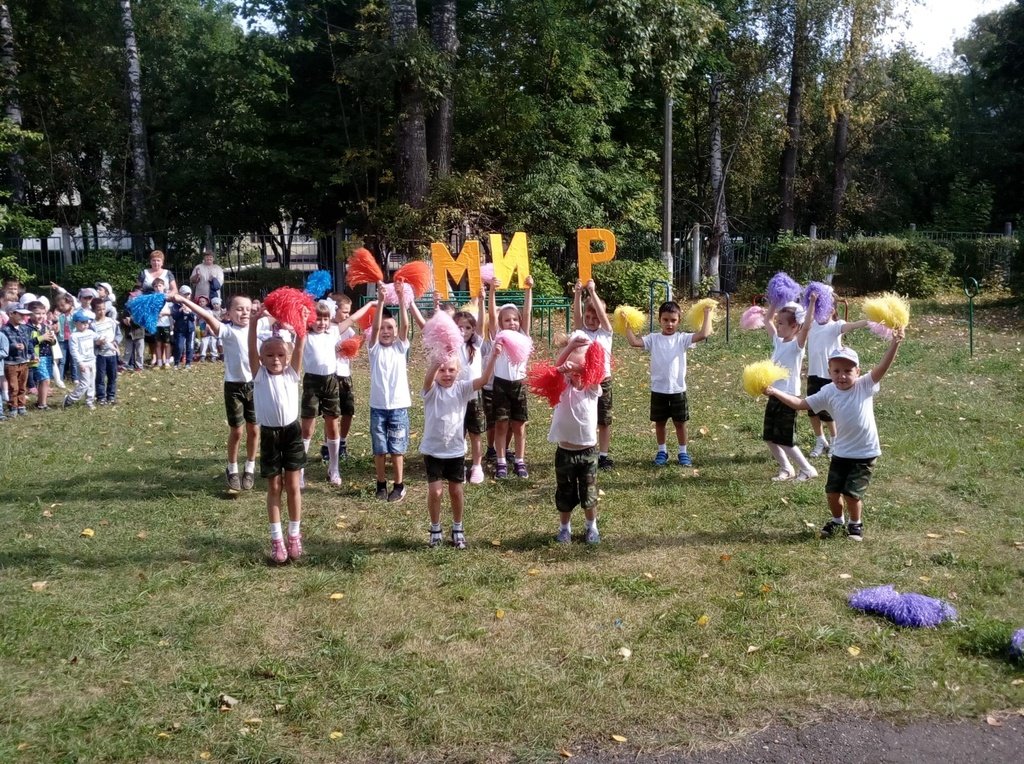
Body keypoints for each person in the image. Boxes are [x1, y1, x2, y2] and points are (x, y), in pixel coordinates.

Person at [766, 328, 905, 542]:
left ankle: (855, 524)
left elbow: (883, 367)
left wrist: (895, 343)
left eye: (848, 371)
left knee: (851, 494)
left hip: (865, 453)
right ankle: (837, 521)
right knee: (832, 493)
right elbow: (801, 404)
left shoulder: (864, 385)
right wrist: (775, 391)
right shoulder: (828, 391)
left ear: (858, 372)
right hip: (841, 452)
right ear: (829, 372)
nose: (842, 375)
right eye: (837, 370)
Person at [172, 290, 259, 493]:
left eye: (248, 309)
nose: (244, 313)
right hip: (234, 387)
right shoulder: (226, 330)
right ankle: (232, 468)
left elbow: (277, 313)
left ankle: (250, 467)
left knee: (254, 430)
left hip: (256, 385)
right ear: (228, 313)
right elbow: (205, 315)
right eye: (239, 309)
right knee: (237, 431)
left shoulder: (258, 328)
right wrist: (183, 299)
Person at [420, 341, 502, 548]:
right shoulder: (431, 390)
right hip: (433, 451)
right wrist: (437, 360)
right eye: (442, 370)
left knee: (456, 491)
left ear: (458, 371)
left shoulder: (462, 388)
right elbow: (428, 379)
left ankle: (458, 527)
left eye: (451, 370)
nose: (446, 374)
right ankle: (435, 528)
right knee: (436, 492)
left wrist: (493, 357)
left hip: (455, 451)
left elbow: (484, 380)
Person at [248, 304, 308, 563]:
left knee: (293, 485)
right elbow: (251, 349)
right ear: (262, 359)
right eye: (270, 355)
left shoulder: (292, 374)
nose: (275, 359)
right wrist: (253, 323)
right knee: (274, 486)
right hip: (270, 436)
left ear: (288, 356)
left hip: (292, 433)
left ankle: (294, 535)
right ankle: (277, 539)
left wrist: (302, 322)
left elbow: (301, 346)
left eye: (281, 355)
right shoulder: (259, 375)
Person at [625, 300, 712, 466]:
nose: (669, 324)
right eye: (665, 320)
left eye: (673, 320)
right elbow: (634, 342)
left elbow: (703, 334)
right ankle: (662, 451)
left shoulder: (682, 339)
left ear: (679, 321)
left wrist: (707, 313)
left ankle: (683, 452)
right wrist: (627, 324)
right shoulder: (653, 339)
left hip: (678, 390)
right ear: (659, 320)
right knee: (660, 423)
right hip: (658, 390)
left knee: (680, 423)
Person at [547, 333, 605, 544]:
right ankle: (565, 528)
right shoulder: (563, 386)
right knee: (565, 493)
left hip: (588, 452)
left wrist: (579, 368)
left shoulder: (591, 388)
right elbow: (556, 367)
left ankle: (591, 526)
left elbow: (594, 374)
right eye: (571, 369)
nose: (576, 374)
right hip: (565, 451)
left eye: (580, 368)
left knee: (589, 494)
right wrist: (570, 347)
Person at [805, 300, 869, 457]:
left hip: (830, 377)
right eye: (818, 308)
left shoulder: (835, 326)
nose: (820, 311)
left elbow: (852, 326)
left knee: (828, 413)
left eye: (824, 308)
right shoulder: (811, 325)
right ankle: (820, 440)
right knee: (812, 411)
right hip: (813, 375)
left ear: (832, 310)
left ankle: (834, 441)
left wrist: (869, 321)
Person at [761, 300, 816, 482]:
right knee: (769, 437)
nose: (778, 326)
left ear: (794, 327)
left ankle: (807, 469)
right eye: (778, 323)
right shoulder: (778, 341)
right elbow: (767, 320)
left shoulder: (796, 346)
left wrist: (812, 303)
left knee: (784, 439)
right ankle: (786, 468)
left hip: (789, 397)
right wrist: (775, 300)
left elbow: (806, 327)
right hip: (774, 395)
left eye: (782, 323)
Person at [368, 280, 411, 502]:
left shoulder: (400, 347)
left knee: (397, 448)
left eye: (390, 328)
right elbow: (375, 328)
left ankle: (399, 485)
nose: (385, 331)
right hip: (378, 407)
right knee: (379, 448)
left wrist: (402, 298)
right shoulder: (374, 348)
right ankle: (381, 484)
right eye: (383, 328)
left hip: (398, 407)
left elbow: (405, 326)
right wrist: (381, 301)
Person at [487, 275, 535, 478]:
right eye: (507, 320)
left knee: (519, 425)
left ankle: (519, 460)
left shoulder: (523, 335)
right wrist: (492, 290)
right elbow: (491, 314)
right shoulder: (497, 336)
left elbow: (527, 311)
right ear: (501, 323)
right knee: (501, 424)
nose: (512, 323)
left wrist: (528, 289)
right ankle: (501, 461)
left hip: (519, 385)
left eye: (515, 319)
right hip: (500, 385)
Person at [301, 300, 345, 486]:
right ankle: (300, 471)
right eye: (318, 319)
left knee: (332, 425)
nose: (322, 323)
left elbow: (350, 321)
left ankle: (334, 469)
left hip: (331, 382)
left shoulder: (333, 332)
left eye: (325, 319)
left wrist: (375, 303)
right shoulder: (304, 335)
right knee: (307, 428)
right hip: (311, 382)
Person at [573, 279, 615, 469]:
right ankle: (587, 450)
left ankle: (603, 455)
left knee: (604, 420)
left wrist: (592, 292)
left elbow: (602, 316)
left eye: (595, 317)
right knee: (586, 418)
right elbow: (577, 316)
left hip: (603, 381)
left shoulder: (605, 333)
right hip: (585, 383)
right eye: (588, 317)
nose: (591, 321)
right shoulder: (581, 332)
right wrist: (577, 294)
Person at [453, 293, 487, 483]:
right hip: (455, 396)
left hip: (473, 395)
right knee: (458, 432)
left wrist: (481, 302)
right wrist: (436, 304)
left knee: (475, 433)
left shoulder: (476, 344)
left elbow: (481, 324)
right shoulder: (451, 346)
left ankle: (476, 466)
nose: (463, 331)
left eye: (467, 327)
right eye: (459, 327)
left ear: (473, 330)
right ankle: (459, 464)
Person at [1, 304, 34, 416]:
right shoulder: (4, 330)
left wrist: (32, 354)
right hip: (11, 363)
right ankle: (13, 406)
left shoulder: (24, 328)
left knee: (22, 386)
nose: (24, 317)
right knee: (13, 387)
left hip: (24, 362)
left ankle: (21, 405)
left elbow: (29, 343)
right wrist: (14, 346)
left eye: (25, 315)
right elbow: (3, 347)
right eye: (20, 314)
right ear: (11, 314)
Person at [63, 309, 98, 410]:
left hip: (92, 361)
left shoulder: (90, 332)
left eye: (87, 322)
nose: (85, 324)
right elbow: (74, 351)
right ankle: (70, 399)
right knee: (84, 383)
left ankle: (89, 401)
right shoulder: (74, 336)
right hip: (83, 363)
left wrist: (108, 343)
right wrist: (80, 363)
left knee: (91, 383)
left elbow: (99, 338)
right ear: (76, 323)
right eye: (82, 322)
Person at [26, 301, 56, 410]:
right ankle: (42, 404)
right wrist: (41, 338)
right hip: (36, 357)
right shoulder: (27, 328)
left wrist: (52, 340)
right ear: (30, 314)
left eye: (43, 313)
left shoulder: (45, 326)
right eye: (38, 313)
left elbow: (52, 342)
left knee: (45, 380)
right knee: (45, 379)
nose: (41, 316)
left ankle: (40, 402)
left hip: (48, 356)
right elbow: (27, 343)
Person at [91, 297, 119, 404]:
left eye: (103, 309)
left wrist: (115, 341)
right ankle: (101, 397)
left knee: (112, 376)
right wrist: (97, 343)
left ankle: (111, 396)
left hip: (112, 354)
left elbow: (118, 334)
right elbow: (90, 340)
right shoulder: (92, 325)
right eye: (99, 309)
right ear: (94, 310)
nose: (102, 312)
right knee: (100, 377)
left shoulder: (111, 321)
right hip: (100, 355)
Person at [171, 286, 197, 368]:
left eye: (189, 294)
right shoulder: (175, 305)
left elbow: (194, 317)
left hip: (190, 329)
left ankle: (188, 363)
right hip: (179, 329)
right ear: (180, 295)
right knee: (179, 346)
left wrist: (189, 312)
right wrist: (180, 310)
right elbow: (174, 316)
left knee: (190, 346)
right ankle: (176, 363)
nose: (187, 296)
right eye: (185, 294)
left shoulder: (192, 305)